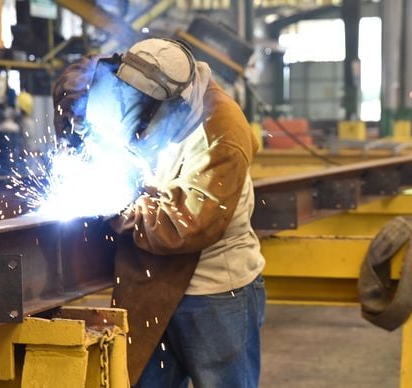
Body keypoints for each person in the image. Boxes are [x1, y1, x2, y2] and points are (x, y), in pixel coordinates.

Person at [52, 38, 266, 388]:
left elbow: (184, 226)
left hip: (213, 292)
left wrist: (117, 205)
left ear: (173, 105)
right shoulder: (137, 80)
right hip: (149, 284)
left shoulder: (220, 131)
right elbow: (80, 84)